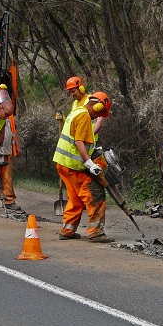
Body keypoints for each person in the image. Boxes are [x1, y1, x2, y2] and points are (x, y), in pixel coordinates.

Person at [52, 91, 114, 242]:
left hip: (63, 164)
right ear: (97, 106)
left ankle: (67, 230)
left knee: (75, 198)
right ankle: (96, 232)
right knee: (95, 194)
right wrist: (89, 163)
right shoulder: (84, 115)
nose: (96, 118)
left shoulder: (76, 112)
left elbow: (83, 137)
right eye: (100, 113)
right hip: (73, 166)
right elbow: (79, 142)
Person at [0, 112, 22, 211]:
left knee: (7, 175)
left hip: (7, 148)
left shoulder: (9, 115)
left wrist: (17, 146)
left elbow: (13, 132)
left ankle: (9, 200)